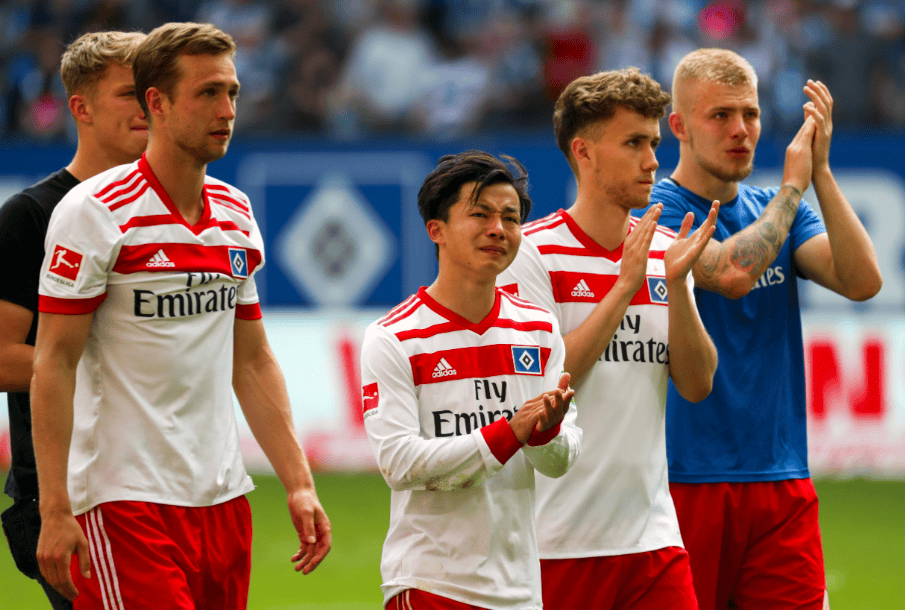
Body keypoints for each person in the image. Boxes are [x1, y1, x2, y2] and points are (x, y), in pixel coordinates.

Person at [30, 22, 331, 607]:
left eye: (232, 92)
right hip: (122, 503)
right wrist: (56, 508)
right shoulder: (94, 213)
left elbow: (252, 360)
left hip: (223, 500)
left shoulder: (235, 212)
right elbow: (54, 362)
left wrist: (298, 483)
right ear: (158, 103)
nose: (227, 110)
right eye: (208, 93)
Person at [644, 48, 882, 610]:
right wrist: (793, 188)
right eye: (720, 115)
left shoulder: (776, 208)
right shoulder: (653, 210)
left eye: (750, 114)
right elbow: (731, 274)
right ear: (678, 126)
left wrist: (820, 173)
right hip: (686, 479)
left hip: (782, 478)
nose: (741, 129)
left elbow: (861, 281)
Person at [497, 68, 719, 610]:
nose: (652, 161)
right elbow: (543, 384)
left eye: (655, 144)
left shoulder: (664, 250)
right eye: (634, 143)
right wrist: (624, 287)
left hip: (654, 541)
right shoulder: (533, 254)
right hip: (557, 542)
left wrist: (676, 284)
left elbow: (697, 384)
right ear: (585, 152)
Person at [361, 150, 582, 610]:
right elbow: (398, 463)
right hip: (431, 585)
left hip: (520, 590)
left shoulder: (539, 330)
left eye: (511, 218)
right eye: (480, 214)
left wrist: (546, 433)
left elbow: (559, 463)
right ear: (436, 230)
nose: (498, 229)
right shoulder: (394, 337)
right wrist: (509, 432)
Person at [0, 30, 148, 610]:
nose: (147, 106)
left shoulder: (176, 212)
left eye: (154, 92)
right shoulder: (30, 216)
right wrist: (130, 369)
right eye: (129, 93)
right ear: (80, 108)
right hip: (70, 490)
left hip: (167, 483)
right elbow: (1, 357)